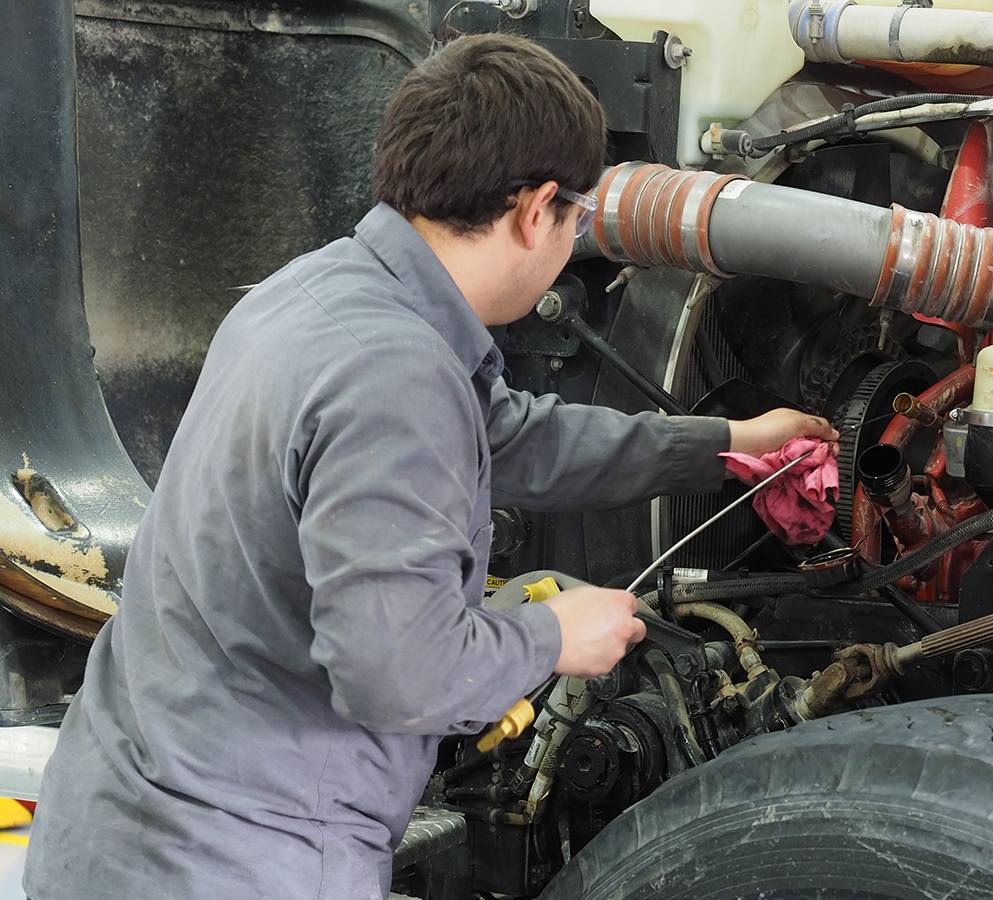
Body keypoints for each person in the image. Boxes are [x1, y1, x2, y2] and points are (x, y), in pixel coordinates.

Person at [24, 32, 835, 900]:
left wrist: (724, 443)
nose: (571, 240)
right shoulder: (394, 378)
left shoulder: (320, 290)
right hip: (232, 857)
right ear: (537, 211)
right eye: (575, 220)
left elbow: (515, 436)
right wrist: (557, 635)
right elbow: (397, 675)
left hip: (127, 811)